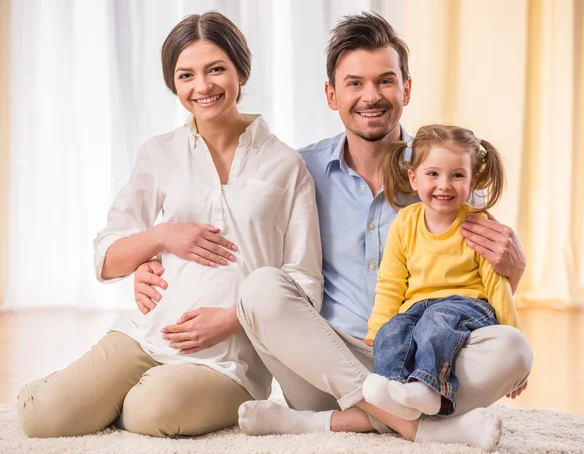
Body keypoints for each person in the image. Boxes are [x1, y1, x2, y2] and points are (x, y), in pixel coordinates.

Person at [135, 11, 532, 453]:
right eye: (354, 83)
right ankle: (415, 427)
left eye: (385, 81)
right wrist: (155, 258)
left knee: (514, 348)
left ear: (407, 88)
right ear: (331, 94)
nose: (371, 96)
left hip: (423, 364)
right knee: (262, 286)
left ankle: (321, 424)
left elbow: (479, 287)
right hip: (323, 365)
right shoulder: (297, 169)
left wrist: (513, 271)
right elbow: (235, 236)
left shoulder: (445, 178)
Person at [17, 12, 322, 438]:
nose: (203, 86)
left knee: (149, 411)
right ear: (173, 84)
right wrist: (160, 237)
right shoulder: (159, 153)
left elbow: (304, 280)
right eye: (186, 75)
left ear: (241, 69)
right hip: (147, 334)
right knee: (40, 416)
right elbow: (107, 256)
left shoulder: (286, 164)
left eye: (216, 69)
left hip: (229, 360)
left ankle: (110, 399)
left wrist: (234, 318)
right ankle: (77, 392)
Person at [362, 125, 522, 424]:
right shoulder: (405, 222)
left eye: (457, 175)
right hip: (418, 309)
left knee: (436, 321)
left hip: (468, 306)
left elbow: (496, 285)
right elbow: (391, 283)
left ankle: (429, 386)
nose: (444, 185)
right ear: (413, 177)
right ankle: (391, 388)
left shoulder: (477, 224)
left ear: (473, 180)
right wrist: (376, 330)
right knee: (394, 330)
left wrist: (514, 336)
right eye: (433, 174)